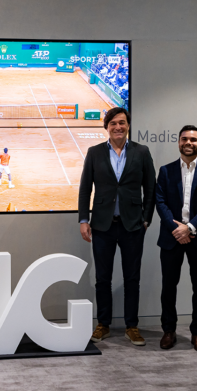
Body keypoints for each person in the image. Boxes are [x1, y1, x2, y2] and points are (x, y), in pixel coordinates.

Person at [78, 107, 156, 346]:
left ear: (128, 125)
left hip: (133, 226)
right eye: (113, 123)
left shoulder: (142, 152)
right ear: (107, 127)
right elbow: (85, 188)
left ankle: (132, 326)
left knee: (132, 278)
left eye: (122, 123)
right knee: (103, 279)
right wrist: (83, 219)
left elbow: (150, 188)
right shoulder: (94, 152)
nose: (118, 127)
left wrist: (146, 219)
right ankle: (103, 324)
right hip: (103, 225)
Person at [155, 125, 197, 353]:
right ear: (179, 142)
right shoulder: (166, 171)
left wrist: (190, 228)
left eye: (193, 140)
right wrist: (177, 229)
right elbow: (160, 202)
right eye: (184, 139)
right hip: (172, 237)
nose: (188, 143)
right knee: (168, 287)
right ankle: (168, 331)